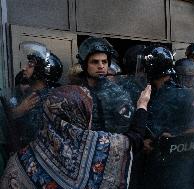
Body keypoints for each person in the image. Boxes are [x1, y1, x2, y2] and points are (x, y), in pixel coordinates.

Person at [0, 84, 152, 188]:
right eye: (88, 111)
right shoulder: (99, 147)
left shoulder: (20, 160)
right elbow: (134, 139)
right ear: (82, 115)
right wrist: (142, 105)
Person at [141, 45, 194, 189]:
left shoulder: (181, 95)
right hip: (150, 166)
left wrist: (171, 139)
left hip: (178, 164)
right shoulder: (144, 92)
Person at [1, 41, 63, 152]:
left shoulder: (50, 99)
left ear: (41, 70)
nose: (24, 68)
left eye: (30, 65)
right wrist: (18, 111)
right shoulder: (26, 96)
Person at [76, 37, 134, 133]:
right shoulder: (74, 91)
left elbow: (125, 128)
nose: (101, 66)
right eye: (95, 62)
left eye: (104, 62)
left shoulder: (117, 94)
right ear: (84, 64)